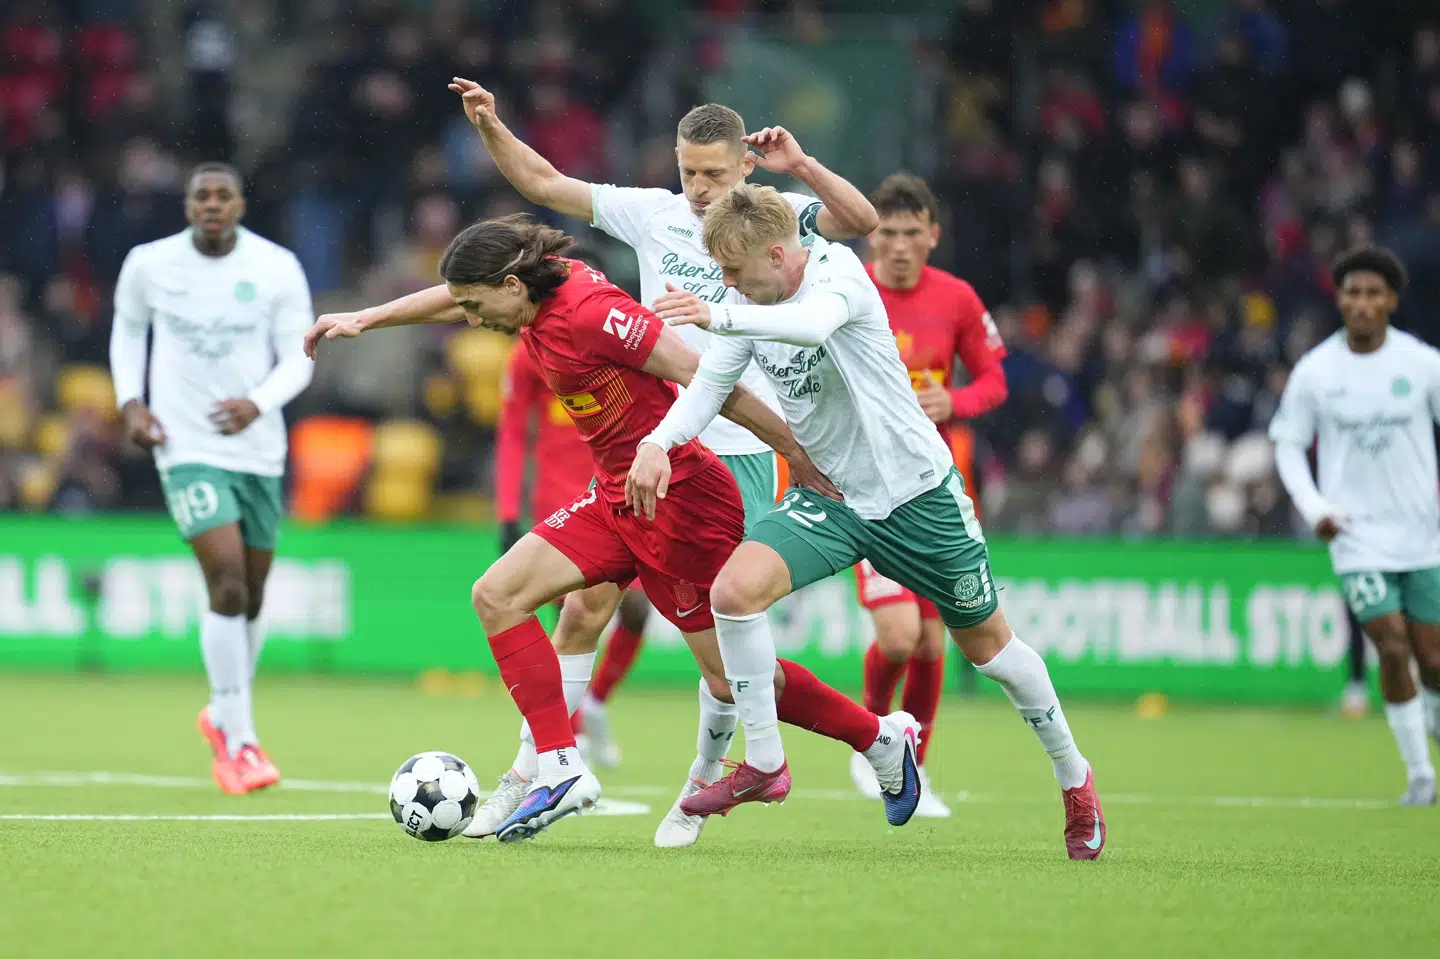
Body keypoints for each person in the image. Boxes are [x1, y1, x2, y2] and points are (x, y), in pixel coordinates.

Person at [303, 215, 924, 842]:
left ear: (514, 286)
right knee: (498, 596)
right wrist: (368, 317)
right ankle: (560, 765)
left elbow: (705, 377)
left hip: (680, 500)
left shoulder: (593, 313)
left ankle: (878, 738)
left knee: (730, 678)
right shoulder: (526, 294)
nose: (468, 317)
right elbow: (454, 294)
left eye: (475, 304)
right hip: (617, 495)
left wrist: (796, 452)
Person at [443, 76, 879, 846]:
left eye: (714, 173)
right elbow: (542, 183)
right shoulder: (652, 215)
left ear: (747, 166)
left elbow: (858, 221)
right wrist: (491, 127)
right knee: (575, 607)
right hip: (650, 447)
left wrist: (804, 167)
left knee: (731, 666)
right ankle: (544, 766)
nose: (700, 189)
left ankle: (730, 775)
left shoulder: (781, 220)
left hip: (742, 447)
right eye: (688, 173)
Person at [629, 184, 1105, 859]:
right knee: (732, 593)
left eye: (735, 272)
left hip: (918, 498)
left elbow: (811, 327)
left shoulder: (837, 273)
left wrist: (714, 312)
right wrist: (657, 443)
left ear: (776, 251)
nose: (727, 284)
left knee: (993, 652)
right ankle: (765, 761)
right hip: (834, 498)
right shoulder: (742, 299)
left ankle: (1074, 777)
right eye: (722, 280)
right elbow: (709, 387)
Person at [108, 162, 315, 794]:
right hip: (186, 444)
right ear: (188, 204)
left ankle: (222, 713)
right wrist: (130, 403)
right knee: (224, 581)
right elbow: (127, 330)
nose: (213, 205)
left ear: (241, 205)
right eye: (202, 196)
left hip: (257, 449)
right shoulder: (149, 264)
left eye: (223, 196)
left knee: (251, 594)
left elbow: (299, 357)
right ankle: (239, 738)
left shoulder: (276, 267)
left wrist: (258, 401)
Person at [847, 173, 1009, 817]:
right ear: (871, 236)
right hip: (861, 484)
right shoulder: (848, 287)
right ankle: (869, 742)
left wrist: (956, 399)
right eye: (887, 233)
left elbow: (996, 379)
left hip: (931, 488)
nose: (899, 246)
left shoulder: (959, 300)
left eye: (913, 233)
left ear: (933, 237)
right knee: (897, 638)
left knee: (933, 644)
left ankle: (915, 770)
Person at [1270, 246, 1440, 806]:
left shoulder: (1421, 364)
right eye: (1352, 293)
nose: (1362, 303)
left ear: (1391, 300)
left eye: (1373, 294)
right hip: (1356, 538)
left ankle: (1429, 716)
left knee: (1433, 657)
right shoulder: (1317, 371)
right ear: (1339, 298)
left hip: (1423, 535)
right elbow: (1288, 444)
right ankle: (1420, 776)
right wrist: (1314, 506)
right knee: (1391, 648)